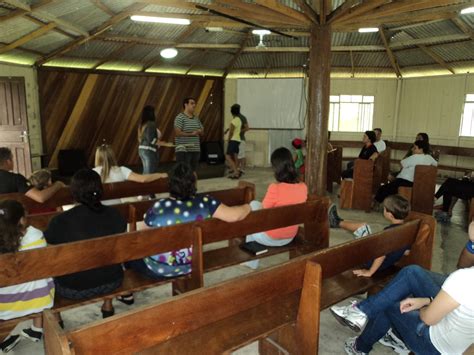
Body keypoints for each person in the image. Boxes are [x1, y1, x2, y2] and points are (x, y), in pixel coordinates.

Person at [330, 221, 474, 355]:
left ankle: (360, 346)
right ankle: (369, 317)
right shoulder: (464, 280)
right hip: (461, 341)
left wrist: (424, 304)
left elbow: (428, 318)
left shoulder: (463, 280)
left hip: (435, 346)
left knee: (390, 301)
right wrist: (427, 300)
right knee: (411, 275)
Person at [120, 162, 250, 303]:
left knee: (127, 250)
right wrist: (248, 206)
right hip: (192, 264)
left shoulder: (160, 207)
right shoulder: (205, 202)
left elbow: (140, 231)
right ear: (193, 183)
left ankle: (126, 292)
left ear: (170, 185)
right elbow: (234, 216)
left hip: (158, 269)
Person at [44, 169, 126, 318]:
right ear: (100, 189)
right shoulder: (116, 214)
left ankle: (57, 317)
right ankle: (108, 304)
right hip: (112, 281)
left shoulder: (60, 221)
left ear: (73, 192)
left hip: (74, 288)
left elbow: (48, 252)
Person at [0, 200, 55, 352]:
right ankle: (37, 329)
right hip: (40, 300)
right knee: (38, 275)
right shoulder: (35, 235)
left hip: (4, 306)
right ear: (22, 219)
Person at [244, 147, 308, 269]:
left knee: (251, 213)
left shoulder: (275, 188)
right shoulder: (303, 187)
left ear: (276, 168)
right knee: (254, 204)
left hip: (270, 238)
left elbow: (263, 212)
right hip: (289, 236)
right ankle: (250, 261)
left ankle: (250, 264)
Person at [328, 195, 411, 278]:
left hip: (370, 261)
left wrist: (370, 272)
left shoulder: (389, 232)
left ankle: (336, 222)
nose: (383, 210)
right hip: (384, 263)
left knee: (362, 227)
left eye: (385, 209)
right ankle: (337, 221)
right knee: (366, 232)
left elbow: (381, 255)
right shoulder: (408, 229)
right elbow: (406, 252)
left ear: (390, 215)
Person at [93, 144, 167, 204]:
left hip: (98, 212)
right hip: (119, 210)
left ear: (97, 158)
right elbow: (143, 179)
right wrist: (160, 175)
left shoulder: (92, 173)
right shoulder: (121, 170)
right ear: (112, 156)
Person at [374, 139, 437, 204]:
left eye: (415, 148)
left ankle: (376, 202)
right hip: (417, 183)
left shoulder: (414, 157)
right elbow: (435, 165)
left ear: (421, 149)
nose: (412, 149)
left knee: (383, 188)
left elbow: (402, 163)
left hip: (405, 181)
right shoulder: (429, 158)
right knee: (390, 186)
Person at [0, 147, 64, 203]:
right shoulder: (16, 179)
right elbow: (40, 198)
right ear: (8, 161)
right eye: (12, 159)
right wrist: (58, 184)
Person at [174, 98, 204, 173]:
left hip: (195, 149)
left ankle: (193, 185)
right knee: (184, 172)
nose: (194, 105)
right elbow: (177, 133)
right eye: (192, 103)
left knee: (193, 171)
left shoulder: (196, 118)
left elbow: (202, 131)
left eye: (194, 103)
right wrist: (191, 134)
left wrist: (199, 131)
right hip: (184, 150)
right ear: (186, 105)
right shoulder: (180, 117)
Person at [138, 106, 162, 175]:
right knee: (150, 173)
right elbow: (150, 139)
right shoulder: (151, 124)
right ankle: (146, 185)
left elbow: (139, 139)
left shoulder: (141, 125)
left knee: (145, 172)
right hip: (149, 150)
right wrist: (162, 143)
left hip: (141, 149)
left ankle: (143, 185)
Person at [231, 104, 249, 175]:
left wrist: (238, 131)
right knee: (236, 154)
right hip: (235, 139)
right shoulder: (235, 117)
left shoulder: (242, 117)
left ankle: (243, 169)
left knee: (241, 155)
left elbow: (247, 128)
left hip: (241, 139)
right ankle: (237, 168)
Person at [225, 106, 242, 179]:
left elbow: (231, 132)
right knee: (235, 156)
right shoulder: (239, 120)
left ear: (232, 112)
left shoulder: (233, 121)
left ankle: (236, 172)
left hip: (233, 140)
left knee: (227, 156)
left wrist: (228, 140)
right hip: (238, 140)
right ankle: (236, 170)